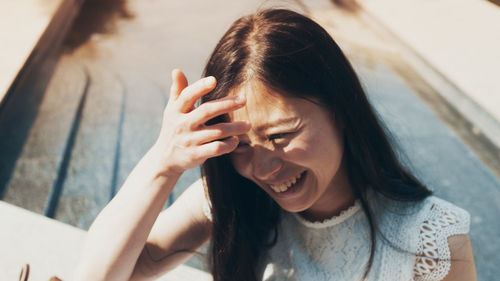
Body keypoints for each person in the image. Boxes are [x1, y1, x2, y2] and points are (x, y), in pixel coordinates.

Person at [73, 9, 477, 281]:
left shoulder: (430, 239)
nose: (262, 168)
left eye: (280, 136)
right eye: (240, 145)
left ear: (340, 108)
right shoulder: (232, 201)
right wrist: (163, 162)